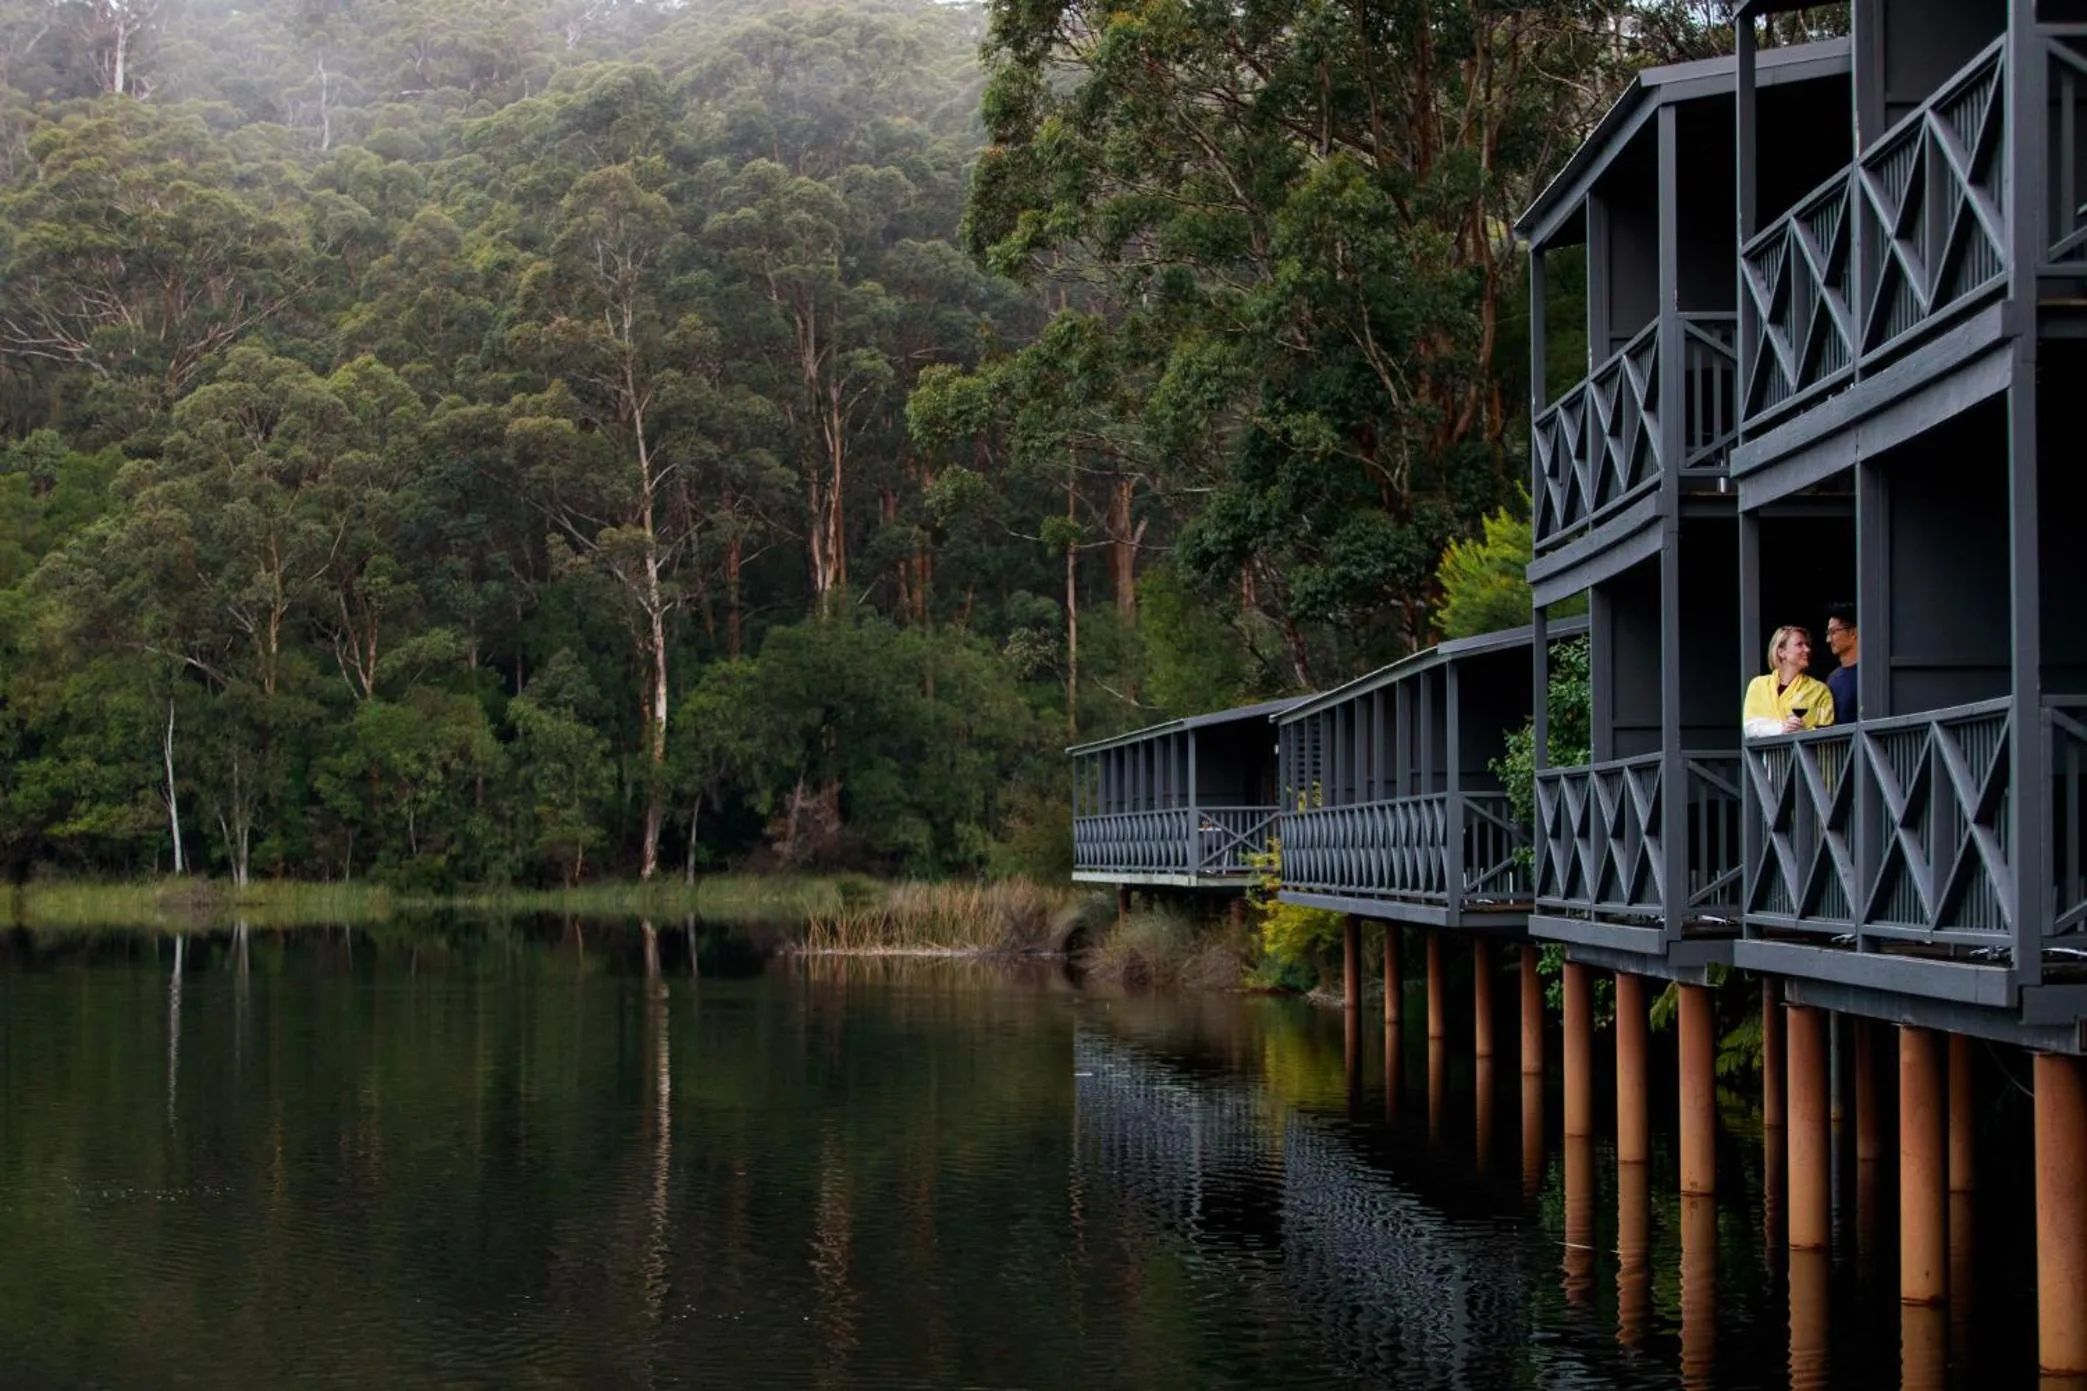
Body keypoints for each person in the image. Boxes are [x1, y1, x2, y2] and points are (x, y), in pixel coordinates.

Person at [1743, 624, 1835, 737]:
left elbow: (1826, 732)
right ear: (1781, 652)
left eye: (1807, 644)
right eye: (1799, 644)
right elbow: (1750, 728)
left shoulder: (1819, 690)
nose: (1807, 649)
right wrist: (1782, 727)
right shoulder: (1758, 685)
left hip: (1804, 754)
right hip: (1767, 754)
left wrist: (1803, 731)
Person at [1824, 603, 1858, 722]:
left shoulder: (1870, 673)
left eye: (1833, 632)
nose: (1828, 640)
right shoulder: (1833, 679)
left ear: (1854, 633)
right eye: (1828, 633)